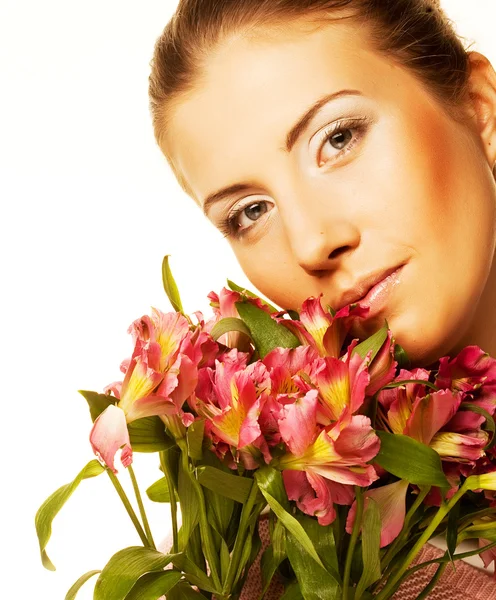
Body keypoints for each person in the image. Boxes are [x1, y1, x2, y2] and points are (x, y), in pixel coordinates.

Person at [148, 0, 496, 597]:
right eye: (250, 212)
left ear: (480, 108)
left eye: (338, 139)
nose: (313, 241)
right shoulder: (269, 559)